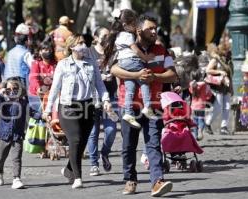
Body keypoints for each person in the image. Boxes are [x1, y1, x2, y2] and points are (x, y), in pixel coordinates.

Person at [111, 15, 176, 196]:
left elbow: (172, 75)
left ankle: (157, 181)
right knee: (128, 145)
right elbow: (113, 69)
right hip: (129, 105)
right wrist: (136, 75)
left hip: (153, 104)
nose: (154, 32)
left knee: (154, 144)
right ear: (140, 30)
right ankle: (130, 179)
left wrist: (154, 77)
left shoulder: (162, 51)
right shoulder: (126, 45)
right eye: (150, 28)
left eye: (156, 28)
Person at [44, 34, 112, 189]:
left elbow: (99, 84)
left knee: (81, 143)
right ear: (72, 46)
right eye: (80, 43)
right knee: (75, 140)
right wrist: (48, 109)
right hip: (68, 107)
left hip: (88, 105)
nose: (83, 45)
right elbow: (55, 89)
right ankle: (78, 177)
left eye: (84, 42)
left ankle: (68, 170)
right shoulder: (63, 64)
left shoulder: (91, 63)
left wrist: (106, 100)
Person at [103, 9, 155, 129]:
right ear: (125, 25)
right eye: (134, 24)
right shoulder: (127, 35)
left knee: (130, 88)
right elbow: (135, 50)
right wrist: (145, 57)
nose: (136, 26)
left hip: (123, 63)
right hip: (133, 61)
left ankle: (128, 113)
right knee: (144, 80)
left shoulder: (118, 36)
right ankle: (147, 107)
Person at [86, 27, 118, 176]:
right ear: (96, 37)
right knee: (92, 132)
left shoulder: (113, 52)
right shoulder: (88, 52)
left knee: (111, 131)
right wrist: (99, 77)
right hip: (92, 98)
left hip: (110, 97)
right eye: (104, 35)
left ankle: (104, 153)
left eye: (109, 35)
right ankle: (94, 163)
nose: (107, 38)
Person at [0, 78, 28, 189]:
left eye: (15, 89)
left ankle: (16, 178)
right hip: (4, 134)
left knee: (16, 157)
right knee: (0, 158)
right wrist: (0, 95)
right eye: (9, 89)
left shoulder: (23, 100)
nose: (12, 91)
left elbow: (32, 111)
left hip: (17, 134)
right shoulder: (3, 100)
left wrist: (42, 116)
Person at [204, 43, 233, 135]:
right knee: (218, 107)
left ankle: (223, 127)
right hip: (218, 86)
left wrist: (231, 88)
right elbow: (208, 70)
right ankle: (207, 123)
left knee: (227, 107)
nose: (226, 52)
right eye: (225, 50)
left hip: (226, 87)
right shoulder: (216, 59)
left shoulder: (228, 60)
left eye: (227, 50)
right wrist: (219, 71)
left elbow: (230, 75)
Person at [4, 23, 33, 88]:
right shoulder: (26, 53)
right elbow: (33, 66)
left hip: (9, 82)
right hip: (21, 82)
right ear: (26, 42)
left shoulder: (9, 52)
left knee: (12, 97)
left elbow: (6, 67)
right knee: (22, 97)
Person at [189, 69, 212, 141]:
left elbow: (191, 92)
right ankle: (200, 131)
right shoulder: (205, 85)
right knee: (201, 120)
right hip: (201, 106)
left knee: (195, 121)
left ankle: (195, 135)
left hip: (193, 106)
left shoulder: (191, 85)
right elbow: (209, 94)